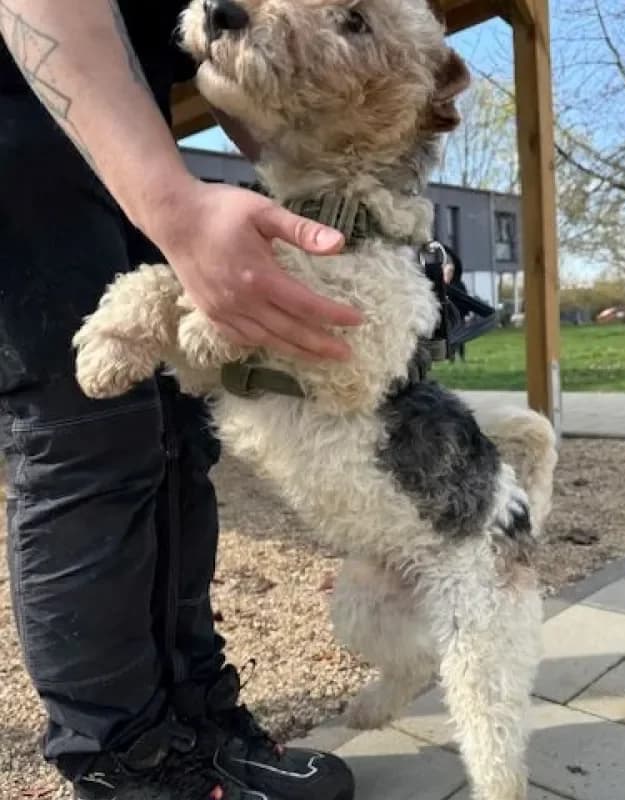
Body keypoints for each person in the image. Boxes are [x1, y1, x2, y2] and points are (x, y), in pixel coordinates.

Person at [0, 2, 361, 799]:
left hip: (125, 115)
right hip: (20, 108)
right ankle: (126, 761)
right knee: (90, 434)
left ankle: (193, 720)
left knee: (177, 428)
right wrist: (172, 201)